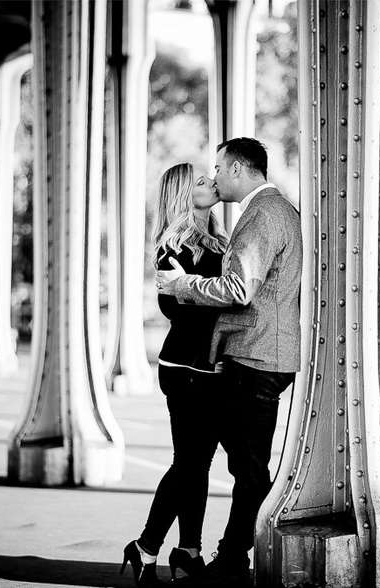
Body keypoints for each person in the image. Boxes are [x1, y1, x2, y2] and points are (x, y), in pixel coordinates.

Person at [156, 137, 303, 587]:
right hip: (248, 357)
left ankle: (230, 558)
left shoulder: (260, 215)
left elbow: (239, 290)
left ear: (238, 169)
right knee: (216, 461)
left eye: (218, 169)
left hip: (254, 356)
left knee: (247, 468)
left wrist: (182, 286)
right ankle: (196, 550)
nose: (214, 178)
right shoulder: (280, 210)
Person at [121, 163, 229, 587]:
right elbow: (177, 311)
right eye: (202, 181)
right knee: (188, 464)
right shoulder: (172, 248)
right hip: (184, 369)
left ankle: (184, 550)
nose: (212, 183)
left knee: (197, 464)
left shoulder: (222, 240)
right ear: (186, 195)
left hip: (211, 366)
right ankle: (153, 547)